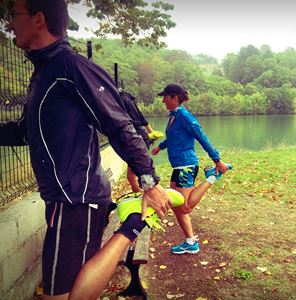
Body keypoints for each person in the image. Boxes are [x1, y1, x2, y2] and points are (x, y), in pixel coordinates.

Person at [0, 0, 171, 299]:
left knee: (62, 296)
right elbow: (25, 131)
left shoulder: (71, 67)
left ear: (38, 19)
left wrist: (149, 182)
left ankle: (133, 223)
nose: (10, 23)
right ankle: (133, 223)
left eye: (14, 15)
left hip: (75, 198)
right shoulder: (44, 72)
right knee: (67, 292)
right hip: (65, 197)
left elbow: (119, 125)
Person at [152, 83, 232, 255]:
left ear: (175, 97)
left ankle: (212, 177)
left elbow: (201, 137)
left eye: (165, 96)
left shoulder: (185, 117)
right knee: (175, 204)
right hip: (178, 165)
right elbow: (174, 137)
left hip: (186, 165)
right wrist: (161, 146)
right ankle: (190, 242)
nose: (163, 100)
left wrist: (217, 159)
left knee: (185, 207)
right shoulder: (174, 116)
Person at [119, 89, 163, 192]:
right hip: (137, 137)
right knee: (134, 176)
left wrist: (149, 132)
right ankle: (145, 196)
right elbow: (140, 117)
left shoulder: (123, 99)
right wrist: (150, 131)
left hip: (136, 139)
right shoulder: (125, 98)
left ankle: (151, 194)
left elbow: (138, 119)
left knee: (141, 174)